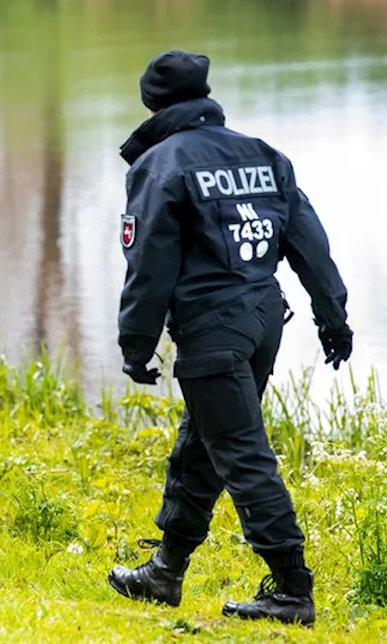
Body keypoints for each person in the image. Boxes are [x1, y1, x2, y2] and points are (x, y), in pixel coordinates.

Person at [107, 49, 352, 627]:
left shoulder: (160, 164)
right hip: (264, 318)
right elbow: (309, 243)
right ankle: (165, 570)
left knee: (241, 451)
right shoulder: (264, 155)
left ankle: (292, 588)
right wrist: (332, 315)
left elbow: (149, 261)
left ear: (152, 103)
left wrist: (135, 343)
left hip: (212, 324)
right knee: (206, 439)